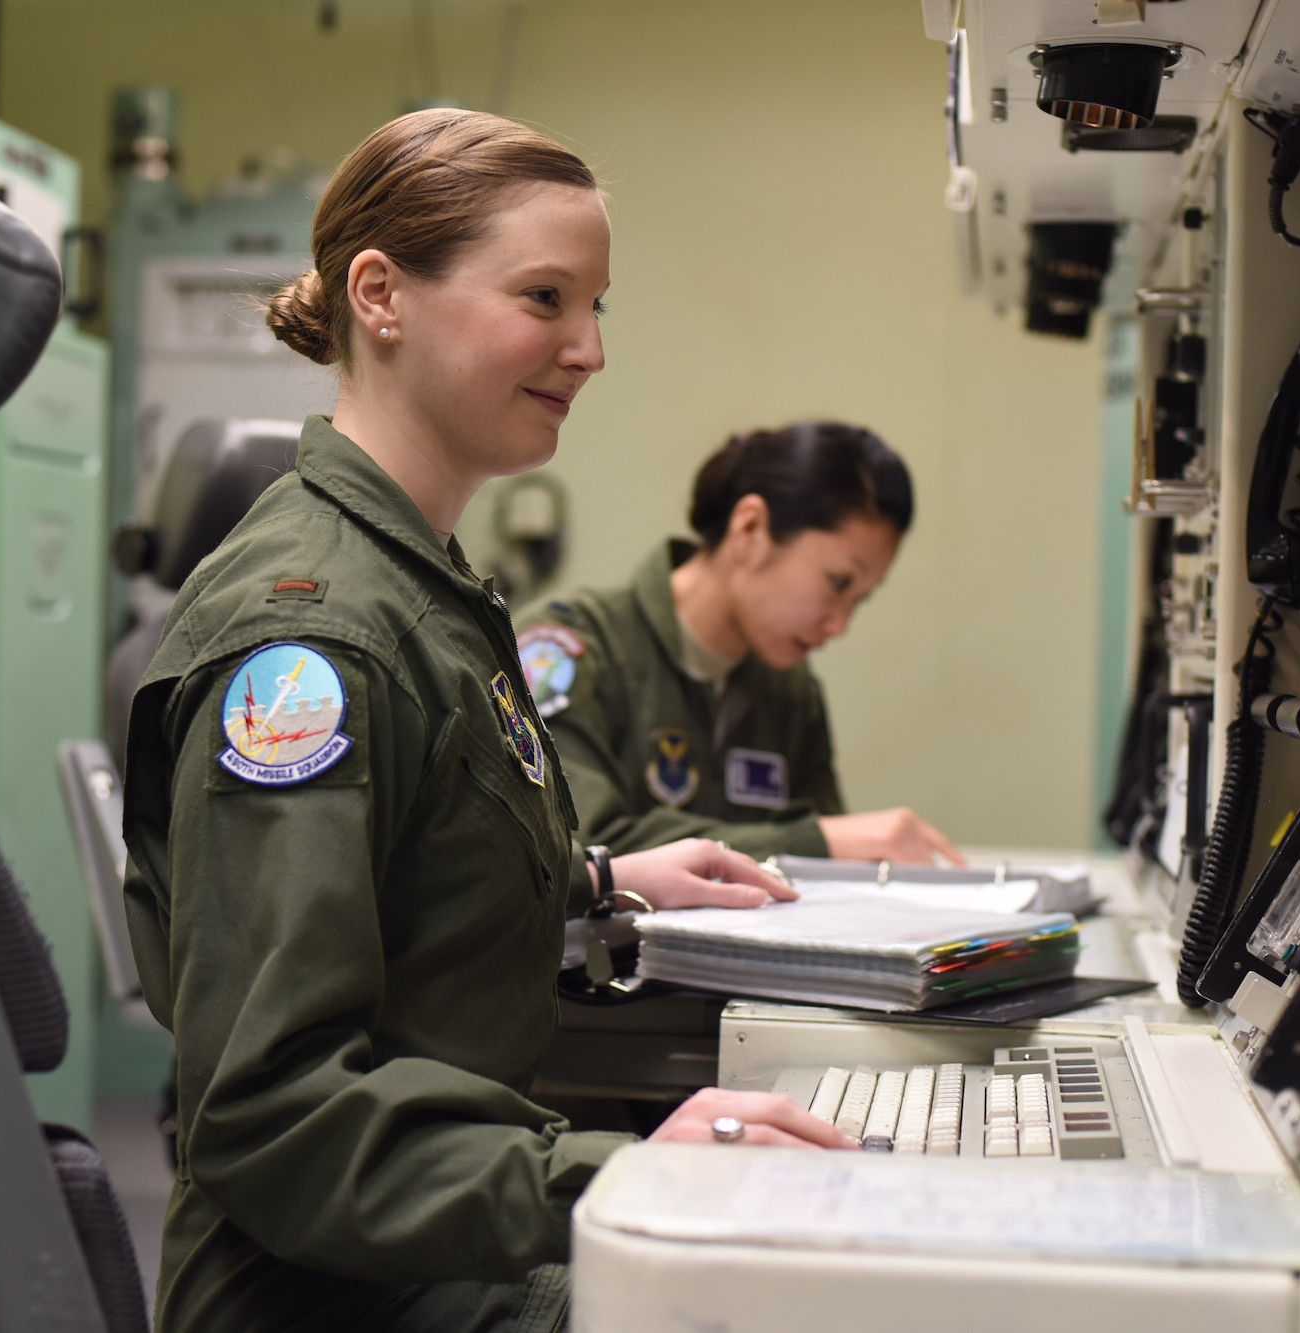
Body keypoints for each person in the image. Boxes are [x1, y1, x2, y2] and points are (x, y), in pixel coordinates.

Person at [120, 109, 851, 1333]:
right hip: (326, 1290)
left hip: (426, 1240)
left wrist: (593, 875)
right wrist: (623, 1177)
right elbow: (273, 1113)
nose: (588, 349)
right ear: (381, 296)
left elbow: (402, 867)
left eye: (596, 307)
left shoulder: (422, 589)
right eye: (546, 297)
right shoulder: (314, 643)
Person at [516, 422, 964, 866]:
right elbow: (578, 850)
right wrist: (813, 842)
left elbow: (828, 878)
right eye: (837, 582)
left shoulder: (790, 691)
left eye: (859, 599)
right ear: (750, 529)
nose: (840, 625)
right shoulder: (565, 653)